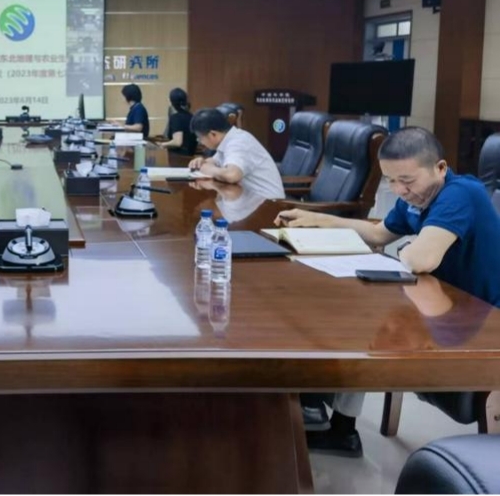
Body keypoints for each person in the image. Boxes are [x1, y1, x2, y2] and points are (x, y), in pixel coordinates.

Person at [276, 126, 500, 457]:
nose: (399, 191)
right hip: (444, 304)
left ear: (440, 168)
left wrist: (409, 249)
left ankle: (333, 421)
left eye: (407, 181)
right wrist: (318, 219)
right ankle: (329, 418)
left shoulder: (460, 194)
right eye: (390, 181)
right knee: (353, 317)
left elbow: (421, 259)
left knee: (363, 325)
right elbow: (380, 233)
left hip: (484, 322)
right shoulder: (419, 196)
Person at [188, 108, 284, 200]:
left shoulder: (238, 143)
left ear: (213, 134)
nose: (200, 142)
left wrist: (209, 170)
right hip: (251, 200)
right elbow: (216, 161)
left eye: (200, 138)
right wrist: (203, 162)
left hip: (270, 203)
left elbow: (231, 175)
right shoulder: (229, 139)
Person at [158, 87, 196, 156]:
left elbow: (177, 142)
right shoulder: (192, 116)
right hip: (190, 156)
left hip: (178, 157)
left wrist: (163, 144)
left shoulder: (176, 118)